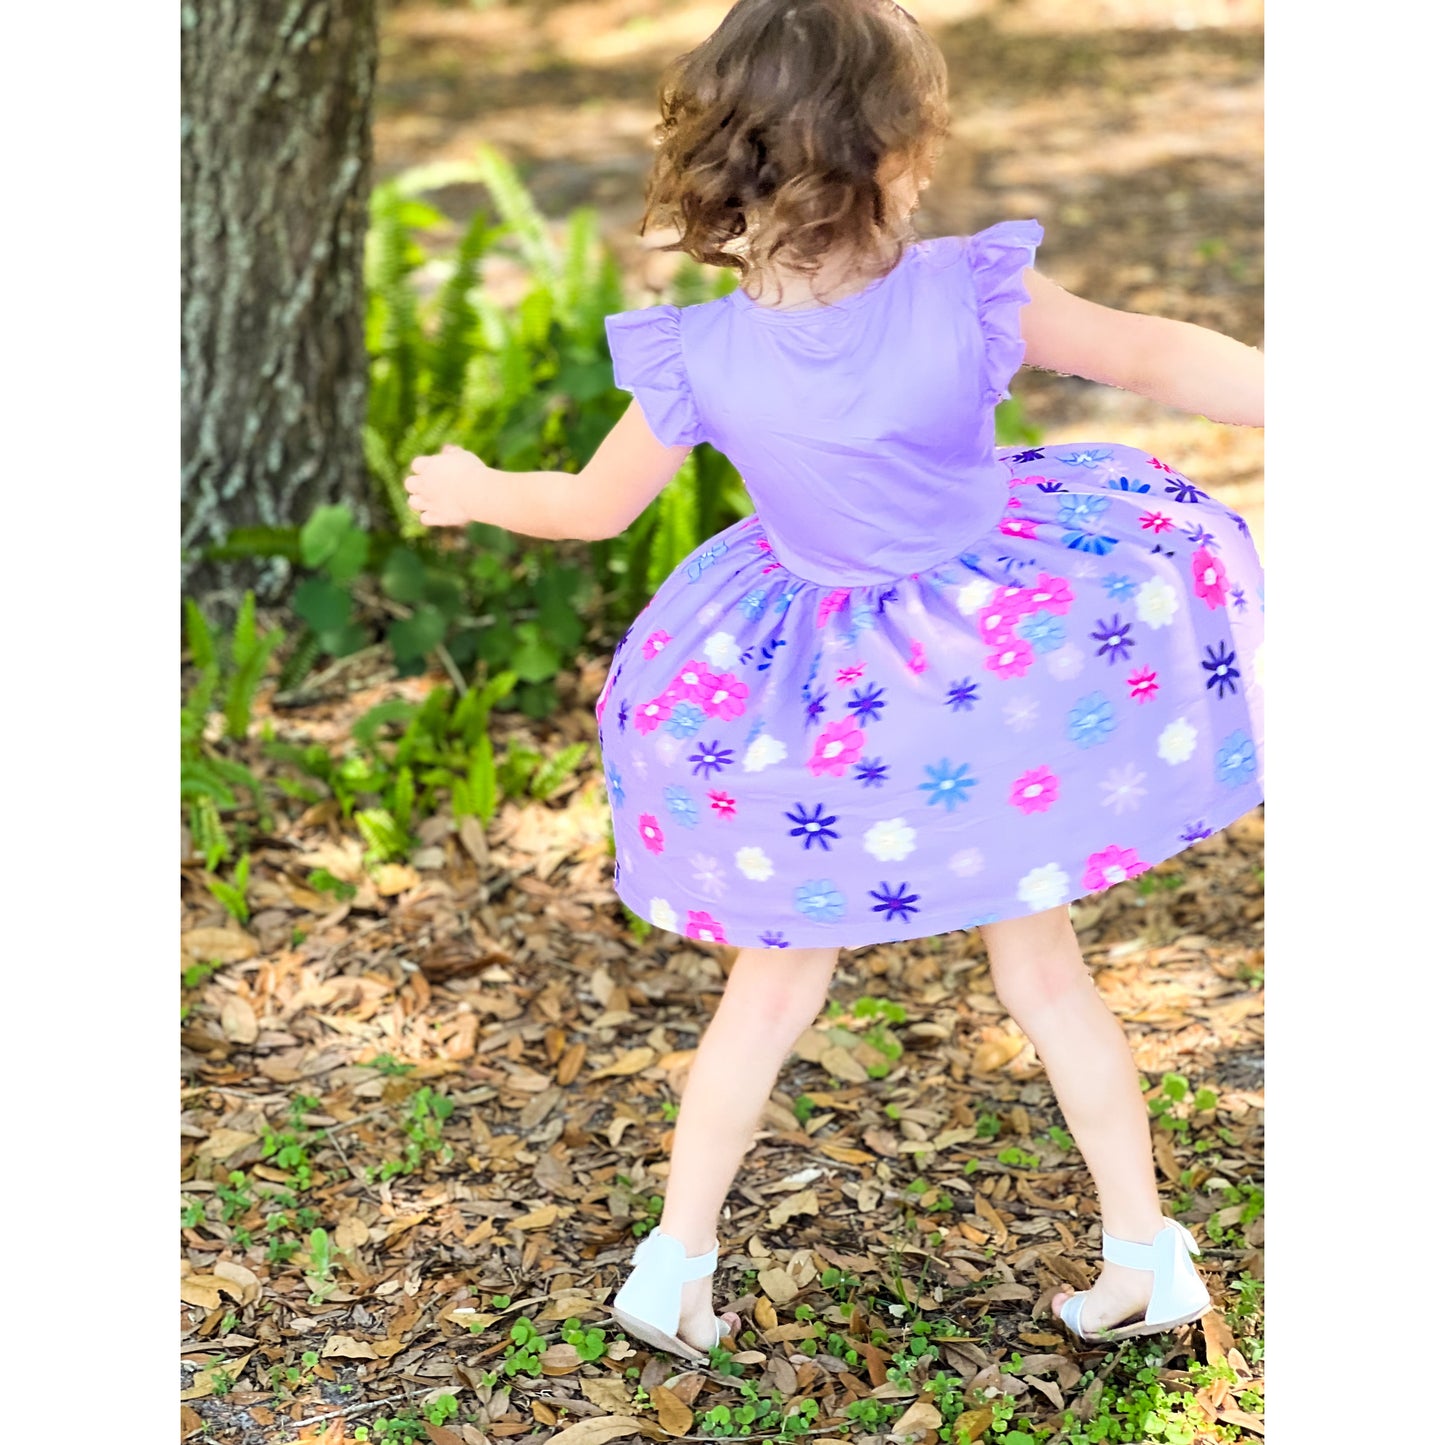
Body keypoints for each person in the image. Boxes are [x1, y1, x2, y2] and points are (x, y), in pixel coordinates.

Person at [404, 0, 1263, 1362]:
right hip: (997, 675)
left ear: (729, 172)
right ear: (901, 157)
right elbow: (1153, 352)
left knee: (771, 984)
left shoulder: (705, 353)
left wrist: (464, 487)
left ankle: (673, 1262)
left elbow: (585, 508)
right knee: (1043, 971)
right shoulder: (968, 290)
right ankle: (1141, 1252)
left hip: (822, 708)